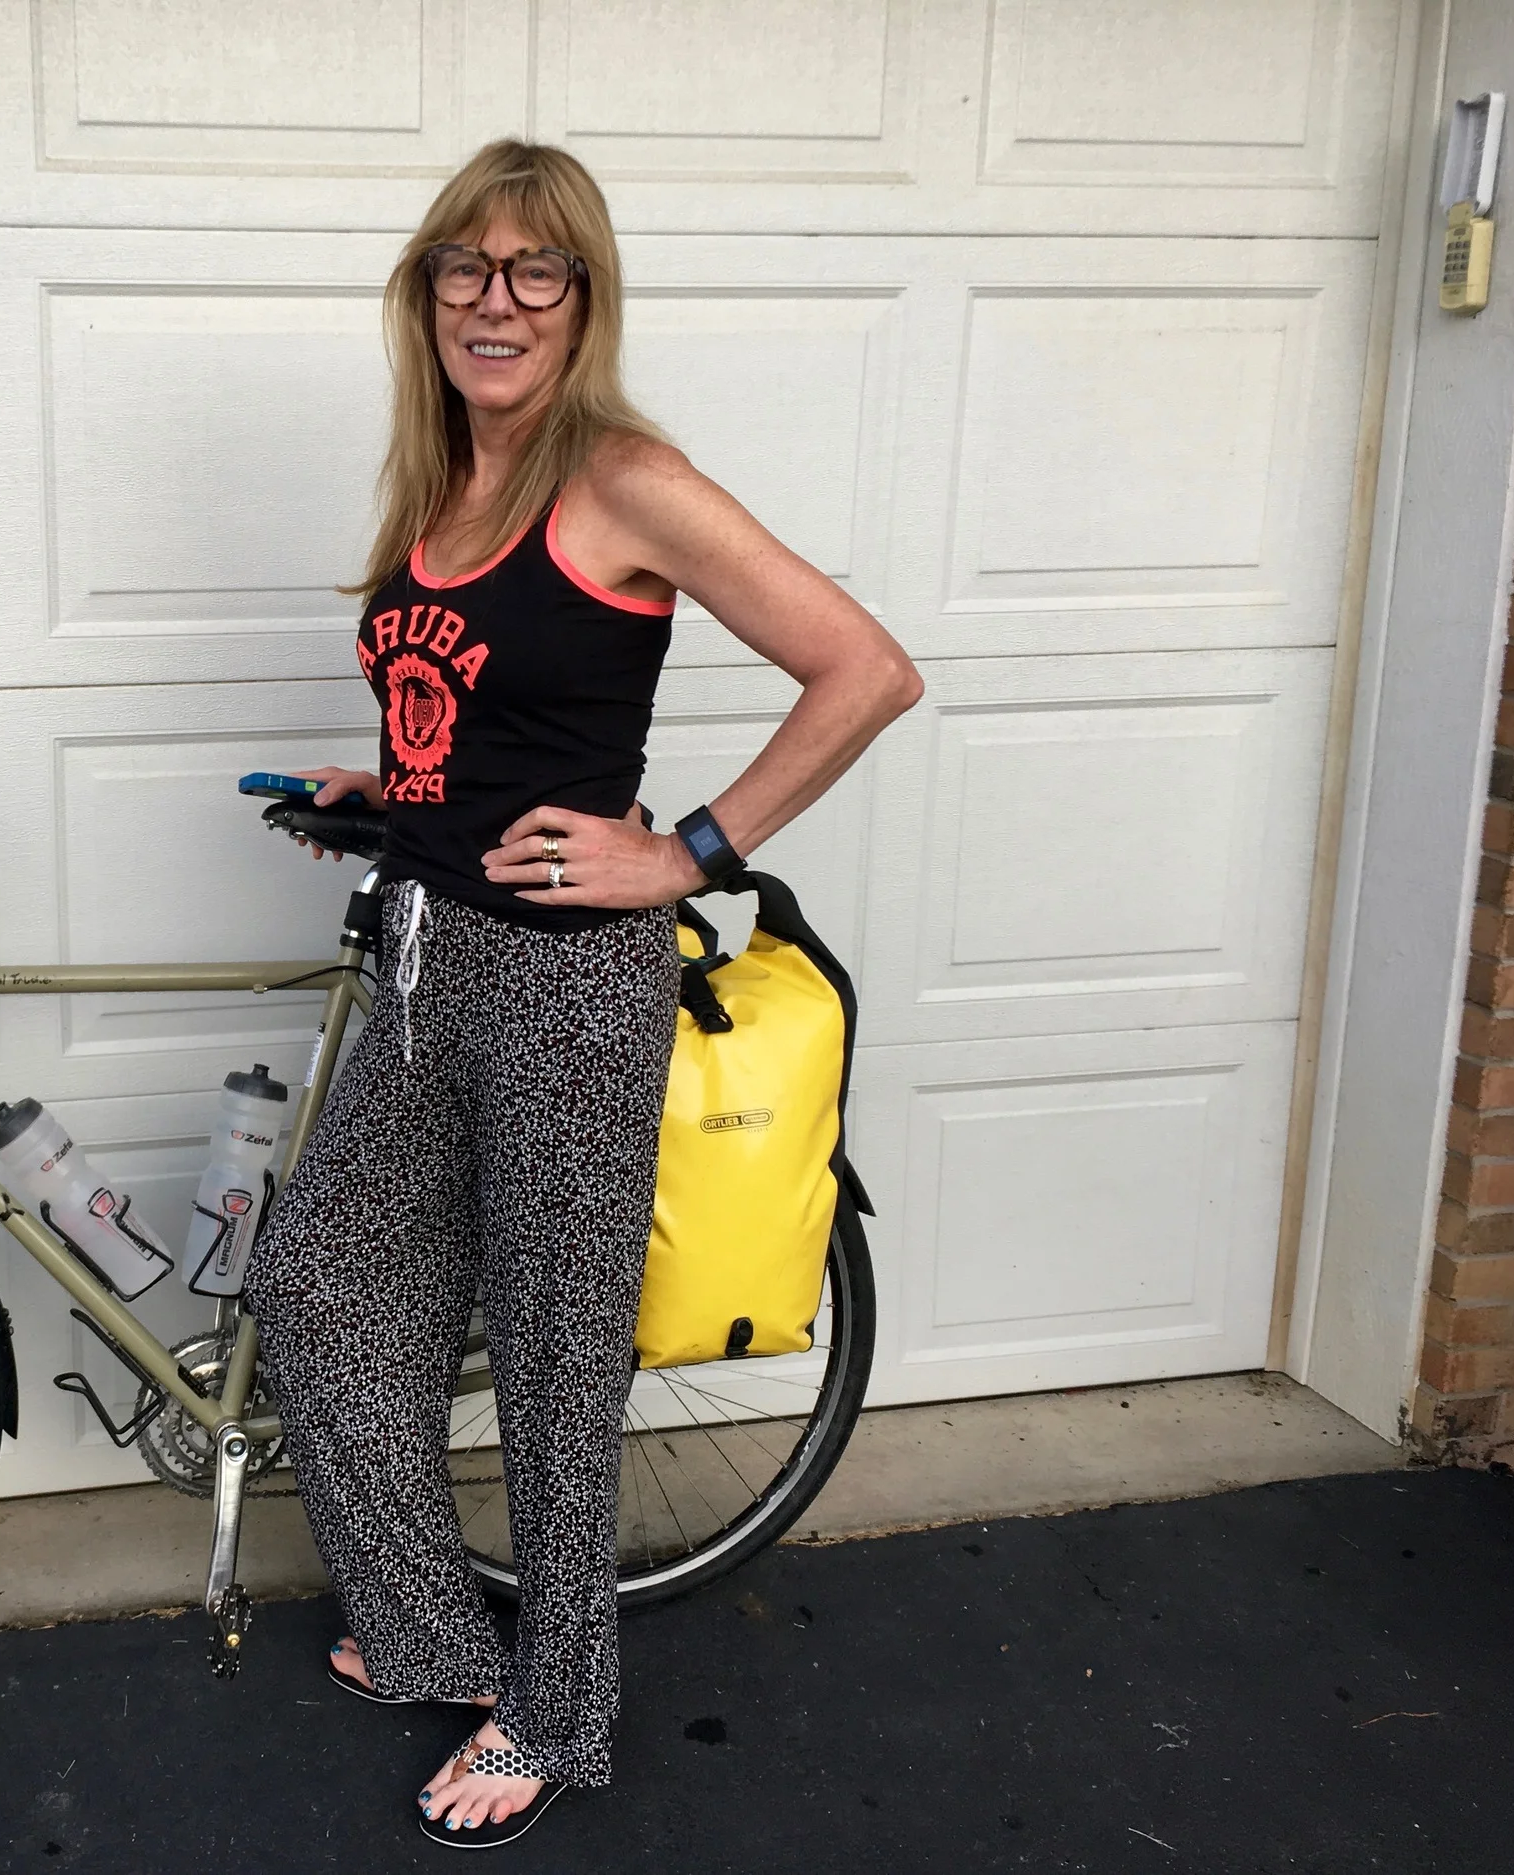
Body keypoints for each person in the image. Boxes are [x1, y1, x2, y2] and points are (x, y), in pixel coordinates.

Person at [238, 139, 922, 1848]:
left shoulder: (621, 478)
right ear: (427, 293)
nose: (495, 297)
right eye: (465, 266)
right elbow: (473, 724)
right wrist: (380, 793)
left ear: (583, 297)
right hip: (425, 952)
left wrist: (686, 849)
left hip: (563, 987)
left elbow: (868, 669)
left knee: (550, 1361)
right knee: (320, 1290)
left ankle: (557, 1710)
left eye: (534, 269)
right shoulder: (438, 483)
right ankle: (425, 1635)